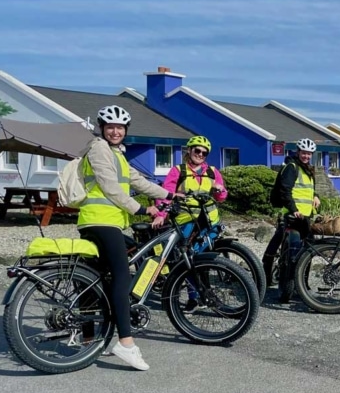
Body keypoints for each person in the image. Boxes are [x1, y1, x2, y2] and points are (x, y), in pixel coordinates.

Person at [77, 104, 171, 371]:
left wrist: (171, 195)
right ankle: (126, 344)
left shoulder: (115, 154)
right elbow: (109, 187)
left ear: (125, 130)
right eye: (110, 126)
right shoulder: (98, 149)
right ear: (102, 128)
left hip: (104, 223)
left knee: (94, 278)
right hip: (100, 221)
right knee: (122, 276)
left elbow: (138, 181)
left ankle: (88, 339)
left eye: (120, 127)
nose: (115, 131)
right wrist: (141, 209)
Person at [155, 135, 228, 312]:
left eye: (204, 153)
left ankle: (203, 294)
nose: (200, 154)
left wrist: (220, 190)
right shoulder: (177, 170)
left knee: (200, 257)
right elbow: (165, 195)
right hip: (185, 220)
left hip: (208, 221)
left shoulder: (212, 172)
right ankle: (194, 298)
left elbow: (222, 197)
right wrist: (161, 214)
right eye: (197, 150)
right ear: (189, 150)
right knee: (187, 258)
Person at [263, 138, 320, 300]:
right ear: (298, 152)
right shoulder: (291, 167)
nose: (306, 156)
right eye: (304, 153)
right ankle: (269, 276)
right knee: (289, 248)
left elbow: (308, 190)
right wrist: (294, 209)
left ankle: (303, 284)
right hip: (291, 215)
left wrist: (315, 196)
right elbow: (284, 190)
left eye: (309, 154)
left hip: (305, 217)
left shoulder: (308, 170)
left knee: (308, 249)